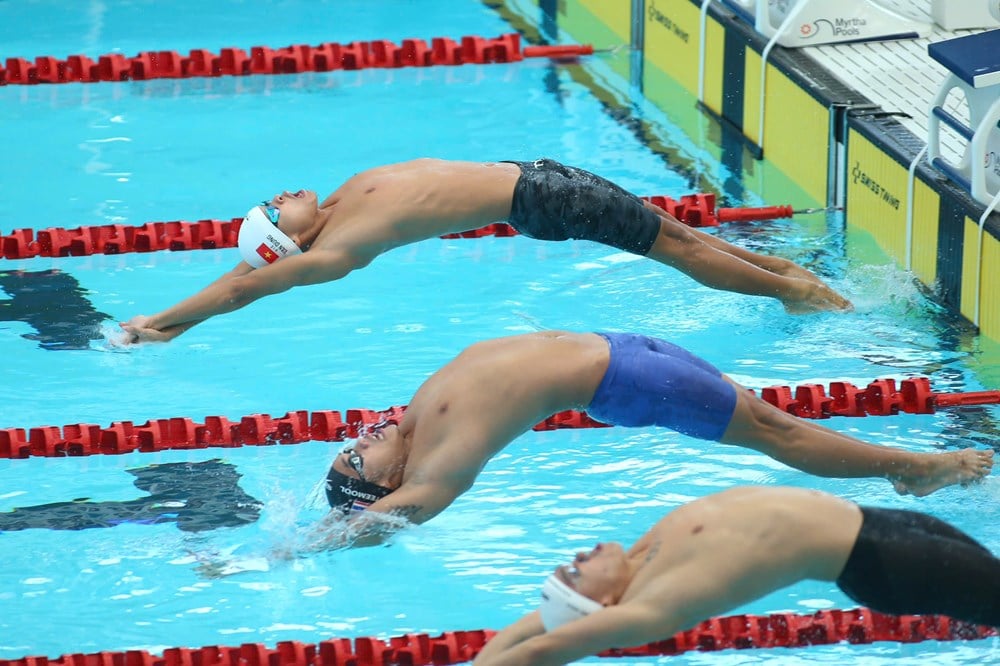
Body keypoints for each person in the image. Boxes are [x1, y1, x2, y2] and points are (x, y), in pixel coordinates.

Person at [307, 331, 992, 548]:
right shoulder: (440, 465)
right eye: (357, 453)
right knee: (775, 431)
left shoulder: (416, 425)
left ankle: (910, 466)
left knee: (761, 417)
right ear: (384, 483)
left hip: (621, 349)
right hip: (626, 381)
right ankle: (915, 468)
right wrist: (296, 547)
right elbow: (409, 509)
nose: (360, 434)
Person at [119, 159, 851, 343]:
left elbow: (244, 270)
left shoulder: (337, 201)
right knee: (682, 248)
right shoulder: (338, 247)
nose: (281, 192)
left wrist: (167, 319)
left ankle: (802, 281)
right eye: (275, 208)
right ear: (292, 237)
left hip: (537, 176)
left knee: (684, 238)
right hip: (543, 198)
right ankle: (803, 294)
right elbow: (246, 288)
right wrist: (161, 321)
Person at [471, 485, 1000, 666]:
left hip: (885, 526)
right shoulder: (654, 604)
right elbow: (541, 650)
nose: (578, 556)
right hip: (887, 561)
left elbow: (536, 627)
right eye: (575, 573)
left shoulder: (642, 554)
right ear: (602, 606)